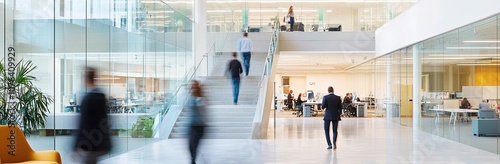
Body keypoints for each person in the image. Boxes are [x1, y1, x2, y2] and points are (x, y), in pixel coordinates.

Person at [73, 67, 112, 164]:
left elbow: (83, 123)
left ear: (86, 80)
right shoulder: (101, 96)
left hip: (90, 143)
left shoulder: (88, 98)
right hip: (100, 141)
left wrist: (77, 145)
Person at [187, 80, 206, 164]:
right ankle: (193, 161)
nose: (193, 88)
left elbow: (203, 111)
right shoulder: (190, 98)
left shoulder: (200, 99)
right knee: (190, 146)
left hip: (199, 126)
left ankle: (193, 161)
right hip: (192, 125)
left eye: (195, 86)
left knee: (194, 145)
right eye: (192, 86)